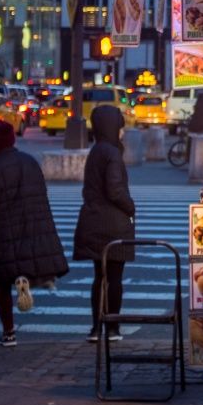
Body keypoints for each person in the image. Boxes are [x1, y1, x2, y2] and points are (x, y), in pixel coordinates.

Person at [0, 119, 69, 347]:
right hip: (30, 226)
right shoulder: (29, 162)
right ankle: (26, 279)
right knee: (22, 263)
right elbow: (41, 199)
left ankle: (9, 333)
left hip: (0, 231)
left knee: (2, 284)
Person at [73, 104, 136, 342]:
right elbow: (115, 190)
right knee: (115, 279)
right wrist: (131, 207)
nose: (121, 132)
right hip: (113, 224)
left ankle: (95, 328)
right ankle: (112, 328)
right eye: (119, 127)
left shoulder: (96, 150)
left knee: (99, 278)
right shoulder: (111, 153)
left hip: (93, 222)